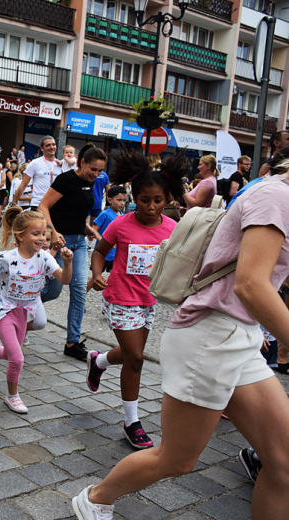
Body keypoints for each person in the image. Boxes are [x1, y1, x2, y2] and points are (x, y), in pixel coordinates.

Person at [72, 159, 289, 520]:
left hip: (238, 332)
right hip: (212, 335)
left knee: (283, 462)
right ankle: (95, 498)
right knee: (176, 459)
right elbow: (250, 283)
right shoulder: (276, 195)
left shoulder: (272, 191)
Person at [86, 148, 186, 450]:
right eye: (145, 200)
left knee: (133, 354)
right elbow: (100, 251)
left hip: (148, 300)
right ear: (134, 196)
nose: (151, 207)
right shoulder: (121, 224)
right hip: (119, 297)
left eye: (158, 201)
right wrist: (97, 273)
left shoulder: (173, 229)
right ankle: (132, 422)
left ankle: (100, 360)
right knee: (137, 358)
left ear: (167, 199)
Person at [0, 207, 73, 413]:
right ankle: (12, 396)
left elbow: (64, 279)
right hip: (4, 310)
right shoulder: (9, 257)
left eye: (43, 235)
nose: (41, 239)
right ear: (21, 236)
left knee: (8, 353)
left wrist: (67, 263)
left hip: (23, 311)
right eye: (36, 234)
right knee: (18, 358)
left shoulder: (45, 257)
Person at [39, 144, 105, 361]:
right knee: (53, 291)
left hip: (78, 243)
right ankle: (22, 306)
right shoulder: (66, 180)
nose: (95, 174)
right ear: (82, 162)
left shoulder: (91, 183)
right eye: (92, 169)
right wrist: (53, 232)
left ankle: (72, 342)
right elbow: (43, 206)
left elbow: (77, 212)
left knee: (78, 291)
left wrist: (88, 229)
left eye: (100, 171)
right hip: (60, 243)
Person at [14, 136, 61, 210]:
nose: (52, 147)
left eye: (53, 144)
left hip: (56, 206)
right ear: (41, 148)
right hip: (38, 204)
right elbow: (23, 184)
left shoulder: (61, 165)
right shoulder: (35, 163)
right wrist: (13, 203)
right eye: (48, 145)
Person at [89, 186, 127, 274]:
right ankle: (83, 288)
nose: (122, 203)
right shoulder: (105, 214)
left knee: (115, 276)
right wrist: (104, 242)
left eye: (124, 200)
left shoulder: (122, 215)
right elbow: (94, 230)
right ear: (110, 200)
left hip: (115, 255)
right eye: (119, 200)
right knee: (95, 279)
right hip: (102, 253)